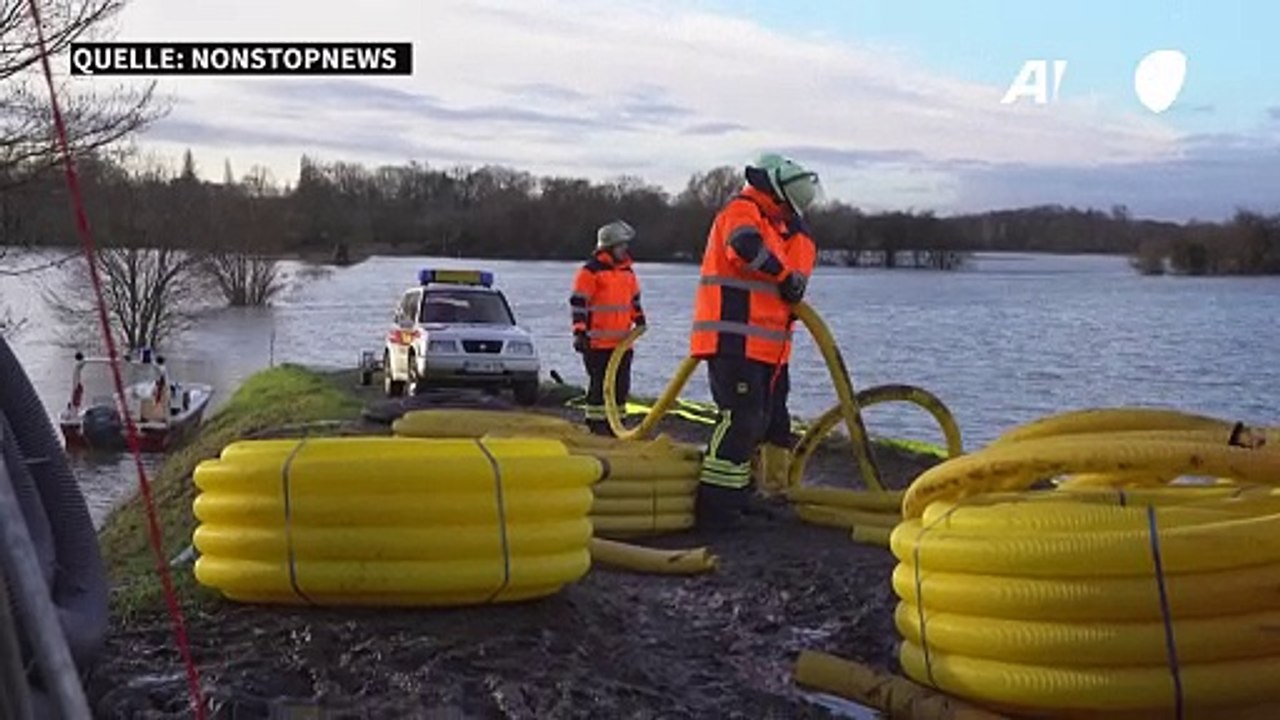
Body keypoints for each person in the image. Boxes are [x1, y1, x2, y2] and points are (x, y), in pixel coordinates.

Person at [689, 153, 822, 527]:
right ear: (774, 191)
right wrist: (783, 276)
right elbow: (744, 247)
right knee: (740, 419)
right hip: (732, 338)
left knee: (770, 421)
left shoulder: (786, 228)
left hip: (771, 348)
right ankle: (716, 507)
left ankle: (750, 493)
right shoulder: (742, 211)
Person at [570, 220, 646, 435]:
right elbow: (579, 303)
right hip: (596, 343)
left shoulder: (627, 273)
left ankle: (617, 425)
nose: (625, 250)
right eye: (622, 245)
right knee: (599, 387)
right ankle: (596, 426)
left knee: (621, 387)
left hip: (622, 343)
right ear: (610, 247)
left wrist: (639, 320)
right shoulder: (590, 272)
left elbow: (634, 301)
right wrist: (579, 332)